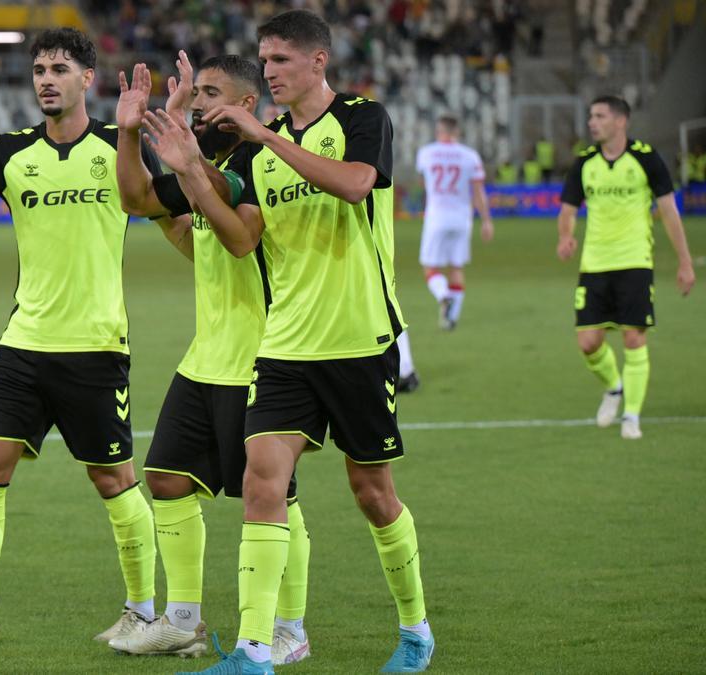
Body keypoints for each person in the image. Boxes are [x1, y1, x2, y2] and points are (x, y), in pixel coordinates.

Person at [142, 9, 433, 673]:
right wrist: (190, 170)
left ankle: (415, 629)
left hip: (360, 338)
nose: (269, 71)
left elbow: (358, 183)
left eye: (280, 61)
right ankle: (253, 650)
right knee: (261, 484)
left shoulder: (362, 117)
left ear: (317, 63)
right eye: (265, 60)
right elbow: (241, 238)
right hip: (286, 345)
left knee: (372, 492)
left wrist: (263, 140)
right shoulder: (258, 143)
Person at [0, 28, 163, 648]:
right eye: (39, 68)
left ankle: (145, 611)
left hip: (96, 344)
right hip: (24, 342)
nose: (46, 78)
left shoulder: (114, 145)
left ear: (86, 80)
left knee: (113, 478)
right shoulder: (10, 151)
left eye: (59, 68)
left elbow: (155, 201)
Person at [110, 52, 311, 665]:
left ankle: (289, 628)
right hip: (206, 356)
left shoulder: (259, 157)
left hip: (265, 355)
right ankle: (185, 621)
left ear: (246, 106)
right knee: (167, 477)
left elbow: (241, 234)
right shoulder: (210, 157)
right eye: (194, 93)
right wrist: (128, 131)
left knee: (276, 498)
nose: (196, 103)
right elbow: (138, 199)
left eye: (208, 93)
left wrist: (191, 169)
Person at [557, 95, 695, 440]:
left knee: (634, 337)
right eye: (591, 116)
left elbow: (669, 212)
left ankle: (631, 415)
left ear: (621, 121)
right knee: (588, 342)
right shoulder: (585, 162)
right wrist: (566, 236)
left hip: (634, 260)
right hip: (595, 264)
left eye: (600, 116)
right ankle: (614, 388)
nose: (592, 122)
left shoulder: (646, 159)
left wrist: (685, 262)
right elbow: (568, 209)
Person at [415, 115, 495, 332]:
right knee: (456, 266)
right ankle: (451, 319)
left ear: (438, 131)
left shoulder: (426, 153)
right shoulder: (470, 156)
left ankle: (443, 296)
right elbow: (478, 192)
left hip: (437, 216)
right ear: (457, 132)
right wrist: (486, 220)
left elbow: (424, 183)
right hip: (462, 218)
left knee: (430, 268)